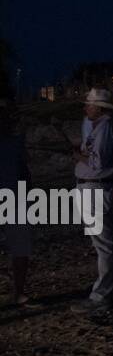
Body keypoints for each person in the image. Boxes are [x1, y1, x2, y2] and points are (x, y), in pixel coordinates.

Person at [73, 87, 113, 312]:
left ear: (98, 107)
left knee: (104, 245)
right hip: (94, 189)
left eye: (88, 104)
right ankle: (106, 288)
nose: (86, 107)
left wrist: (78, 156)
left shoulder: (105, 128)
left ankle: (101, 295)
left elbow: (97, 164)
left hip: (95, 189)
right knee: (104, 243)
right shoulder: (104, 127)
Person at [0, 102, 33, 306]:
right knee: (20, 247)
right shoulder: (15, 142)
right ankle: (17, 291)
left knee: (20, 247)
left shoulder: (16, 142)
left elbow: (24, 169)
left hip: (16, 197)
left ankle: (18, 291)